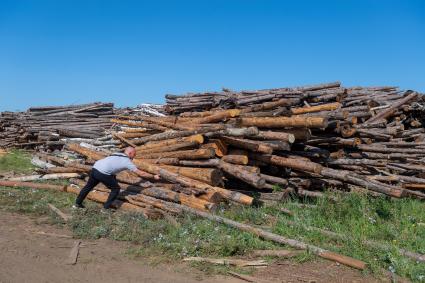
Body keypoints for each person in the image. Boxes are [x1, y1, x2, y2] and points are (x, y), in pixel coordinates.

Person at [73, 146, 158, 210]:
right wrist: (153, 176)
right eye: (134, 155)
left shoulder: (117, 153)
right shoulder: (127, 162)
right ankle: (106, 208)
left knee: (88, 186)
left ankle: (77, 204)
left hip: (95, 167)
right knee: (116, 189)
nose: (133, 157)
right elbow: (141, 173)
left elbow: (112, 164)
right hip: (103, 172)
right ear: (130, 153)